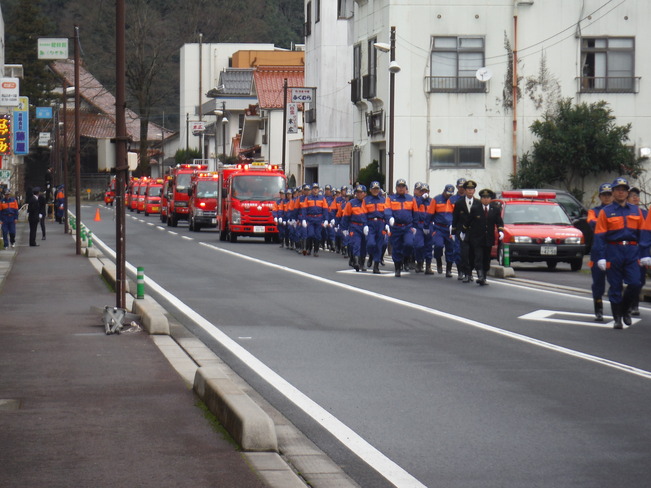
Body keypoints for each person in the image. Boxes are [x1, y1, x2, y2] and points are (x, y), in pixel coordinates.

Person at [593, 177, 650, 329]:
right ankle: (617, 317)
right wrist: (601, 257)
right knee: (615, 285)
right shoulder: (606, 212)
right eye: (618, 190)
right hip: (613, 250)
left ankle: (625, 309)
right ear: (613, 192)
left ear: (627, 193)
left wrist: (645, 253)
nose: (621, 193)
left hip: (632, 251)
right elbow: (599, 236)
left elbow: (643, 234)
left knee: (635, 283)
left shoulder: (636, 210)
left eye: (624, 190)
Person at [462, 188, 504, 286]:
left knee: (486, 258)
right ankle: (480, 276)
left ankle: (484, 276)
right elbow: (468, 221)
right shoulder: (475, 208)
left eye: (487, 197)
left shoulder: (495, 209)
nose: (485, 199)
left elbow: (499, 222)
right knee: (478, 257)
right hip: (476, 238)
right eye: (483, 198)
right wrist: (463, 231)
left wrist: (501, 231)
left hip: (488, 238)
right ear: (481, 199)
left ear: (490, 199)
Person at [587, 183, 613, 321]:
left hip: (613, 249)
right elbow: (592, 223)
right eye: (604, 195)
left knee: (616, 280)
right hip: (598, 250)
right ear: (600, 196)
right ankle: (598, 308)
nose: (607, 197)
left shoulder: (619, 210)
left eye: (609, 194)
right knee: (598, 282)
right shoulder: (594, 211)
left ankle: (620, 309)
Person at [385, 179, 418, 277]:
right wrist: (389, 218)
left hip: (407, 226)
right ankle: (397, 267)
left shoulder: (411, 199)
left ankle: (406, 258)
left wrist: (414, 226)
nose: (401, 188)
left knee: (409, 244)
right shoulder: (390, 198)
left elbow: (415, 213)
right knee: (396, 248)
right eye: (399, 186)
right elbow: (387, 210)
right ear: (396, 188)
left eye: (403, 186)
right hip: (396, 227)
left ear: (405, 188)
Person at [452, 179, 478, 282]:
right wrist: (453, 232)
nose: (470, 191)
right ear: (465, 191)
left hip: (474, 232)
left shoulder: (478, 203)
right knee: (463, 253)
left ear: (474, 191)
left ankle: (470, 272)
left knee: (472, 254)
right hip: (462, 231)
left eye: (472, 189)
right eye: (468, 189)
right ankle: (465, 273)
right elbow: (455, 218)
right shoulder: (459, 203)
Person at [627, 187, 647, 316]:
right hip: (627, 249)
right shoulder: (624, 212)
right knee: (630, 278)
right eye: (632, 195)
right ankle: (629, 303)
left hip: (641, 250)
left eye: (637, 195)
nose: (635, 198)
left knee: (640, 279)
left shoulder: (645, 213)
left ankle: (634, 304)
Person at [429, 183, 456, 277]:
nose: (449, 195)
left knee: (450, 249)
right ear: (444, 191)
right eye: (448, 193)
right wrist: (428, 226)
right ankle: (438, 260)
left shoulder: (454, 200)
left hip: (450, 228)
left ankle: (448, 269)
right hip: (439, 227)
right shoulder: (436, 199)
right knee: (438, 245)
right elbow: (430, 213)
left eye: (451, 193)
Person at [341, 184, 368, 271]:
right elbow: (346, 216)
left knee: (364, 245)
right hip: (354, 226)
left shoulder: (368, 202)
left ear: (365, 193)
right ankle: (356, 262)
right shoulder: (351, 203)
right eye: (357, 192)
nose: (359, 194)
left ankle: (362, 263)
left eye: (361, 192)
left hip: (365, 226)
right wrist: (344, 228)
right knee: (356, 244)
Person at [363, 181, 387, 274]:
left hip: (381, 223)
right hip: (370, 223)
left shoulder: (383, 200)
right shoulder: (366, 200)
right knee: (370, 243)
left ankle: (376, 265)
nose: (375, 190)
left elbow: (386, 212)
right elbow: (363, 213)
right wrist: (365, 224)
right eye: (373, 189)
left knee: (379, 245)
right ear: (370, 190)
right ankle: (371, 256)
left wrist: (387, 224)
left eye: (377, 189)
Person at [301, 183, 329, 257]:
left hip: (319, 219)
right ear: (312, 190)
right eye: (314, 188)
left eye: (316, 188)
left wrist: (326, 220)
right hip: (310, 219)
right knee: (310, 234)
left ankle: (316, 251)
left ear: (318, 189)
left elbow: (325, 209)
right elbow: (304, 209)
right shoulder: (308, 198)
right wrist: (303, 219)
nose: (315, 190)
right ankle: (309, 249)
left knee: (317, 235)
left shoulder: (322, 198)